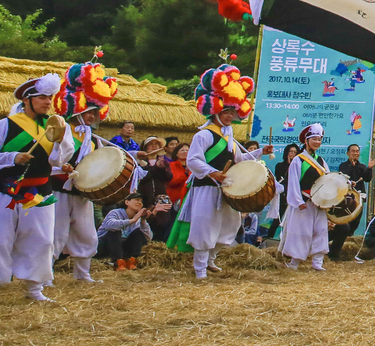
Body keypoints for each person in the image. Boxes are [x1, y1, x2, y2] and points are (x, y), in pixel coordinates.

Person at [170, 65, 260, 280]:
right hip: (206, 188)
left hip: (225, 188)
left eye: (232, 112)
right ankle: (200, 268)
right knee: (205, 227)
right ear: (216, 111)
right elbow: (193, 160)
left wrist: (259, 153)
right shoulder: (204, 135)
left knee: (230, 226)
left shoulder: (229, 137)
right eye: (226, 112)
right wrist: (212, 173)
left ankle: (211, 259)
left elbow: (239, 159)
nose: (230, 116)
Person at [50, 60, 121, 283]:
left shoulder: (93, 138)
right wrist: (61, 167)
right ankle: (45, 277)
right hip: (59, 190)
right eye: (89, 111)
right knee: (56, 234)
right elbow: (49, 160)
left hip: (82, 193)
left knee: (87, 234)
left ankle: (82, 274)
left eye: (95, 112)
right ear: (78, 108)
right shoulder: (61, 130)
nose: (92, 116)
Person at [1, 74, 63, 302]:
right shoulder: (5, 125)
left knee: (42, 240)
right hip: (6, 192)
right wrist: (12, 157)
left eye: (50, 98)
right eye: (42, 97)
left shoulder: (54, 127)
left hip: (41, 192)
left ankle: (35, 289)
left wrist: (61, 149)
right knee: (1, 240)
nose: (48, 102)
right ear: (27, 100)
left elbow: (58, 160)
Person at [281, 123, 332, 271]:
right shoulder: (298, 160)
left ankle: (317, 262)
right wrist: (298, 201)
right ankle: (294, 262)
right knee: (300, 232)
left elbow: (328, 179)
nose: (317, 142)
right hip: (304, 202)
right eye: (314, 139)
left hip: (319, 202)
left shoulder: (321, 161)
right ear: (306, 140)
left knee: (321, 231)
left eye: (319, 139)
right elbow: (293, 182)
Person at [329, 144, 373, 260]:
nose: (355, 153)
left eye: (357, 151)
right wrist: (352, 168)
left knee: (353, 225)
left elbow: (367, 178)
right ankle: (333, 251)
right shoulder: (343, 165)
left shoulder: (362, 166)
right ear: (348, 153)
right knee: (344, 225)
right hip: (346, 201)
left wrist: (369, 168)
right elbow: (343, 177)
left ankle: (341, 247)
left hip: (359, 200)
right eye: (353, 151)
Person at [96, 193, 152, 270]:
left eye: (141, 202)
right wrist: (131, 221)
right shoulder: (115, 212)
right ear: (127, 202)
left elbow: (148, 238)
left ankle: (131, 261)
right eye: (137, 200)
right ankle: (118, 262)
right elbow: (108, 225)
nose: (140, 203)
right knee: (114, 230)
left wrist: (143, 220)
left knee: (139, 233)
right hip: (103, 246)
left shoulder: (138, 219)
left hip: (121, 248)